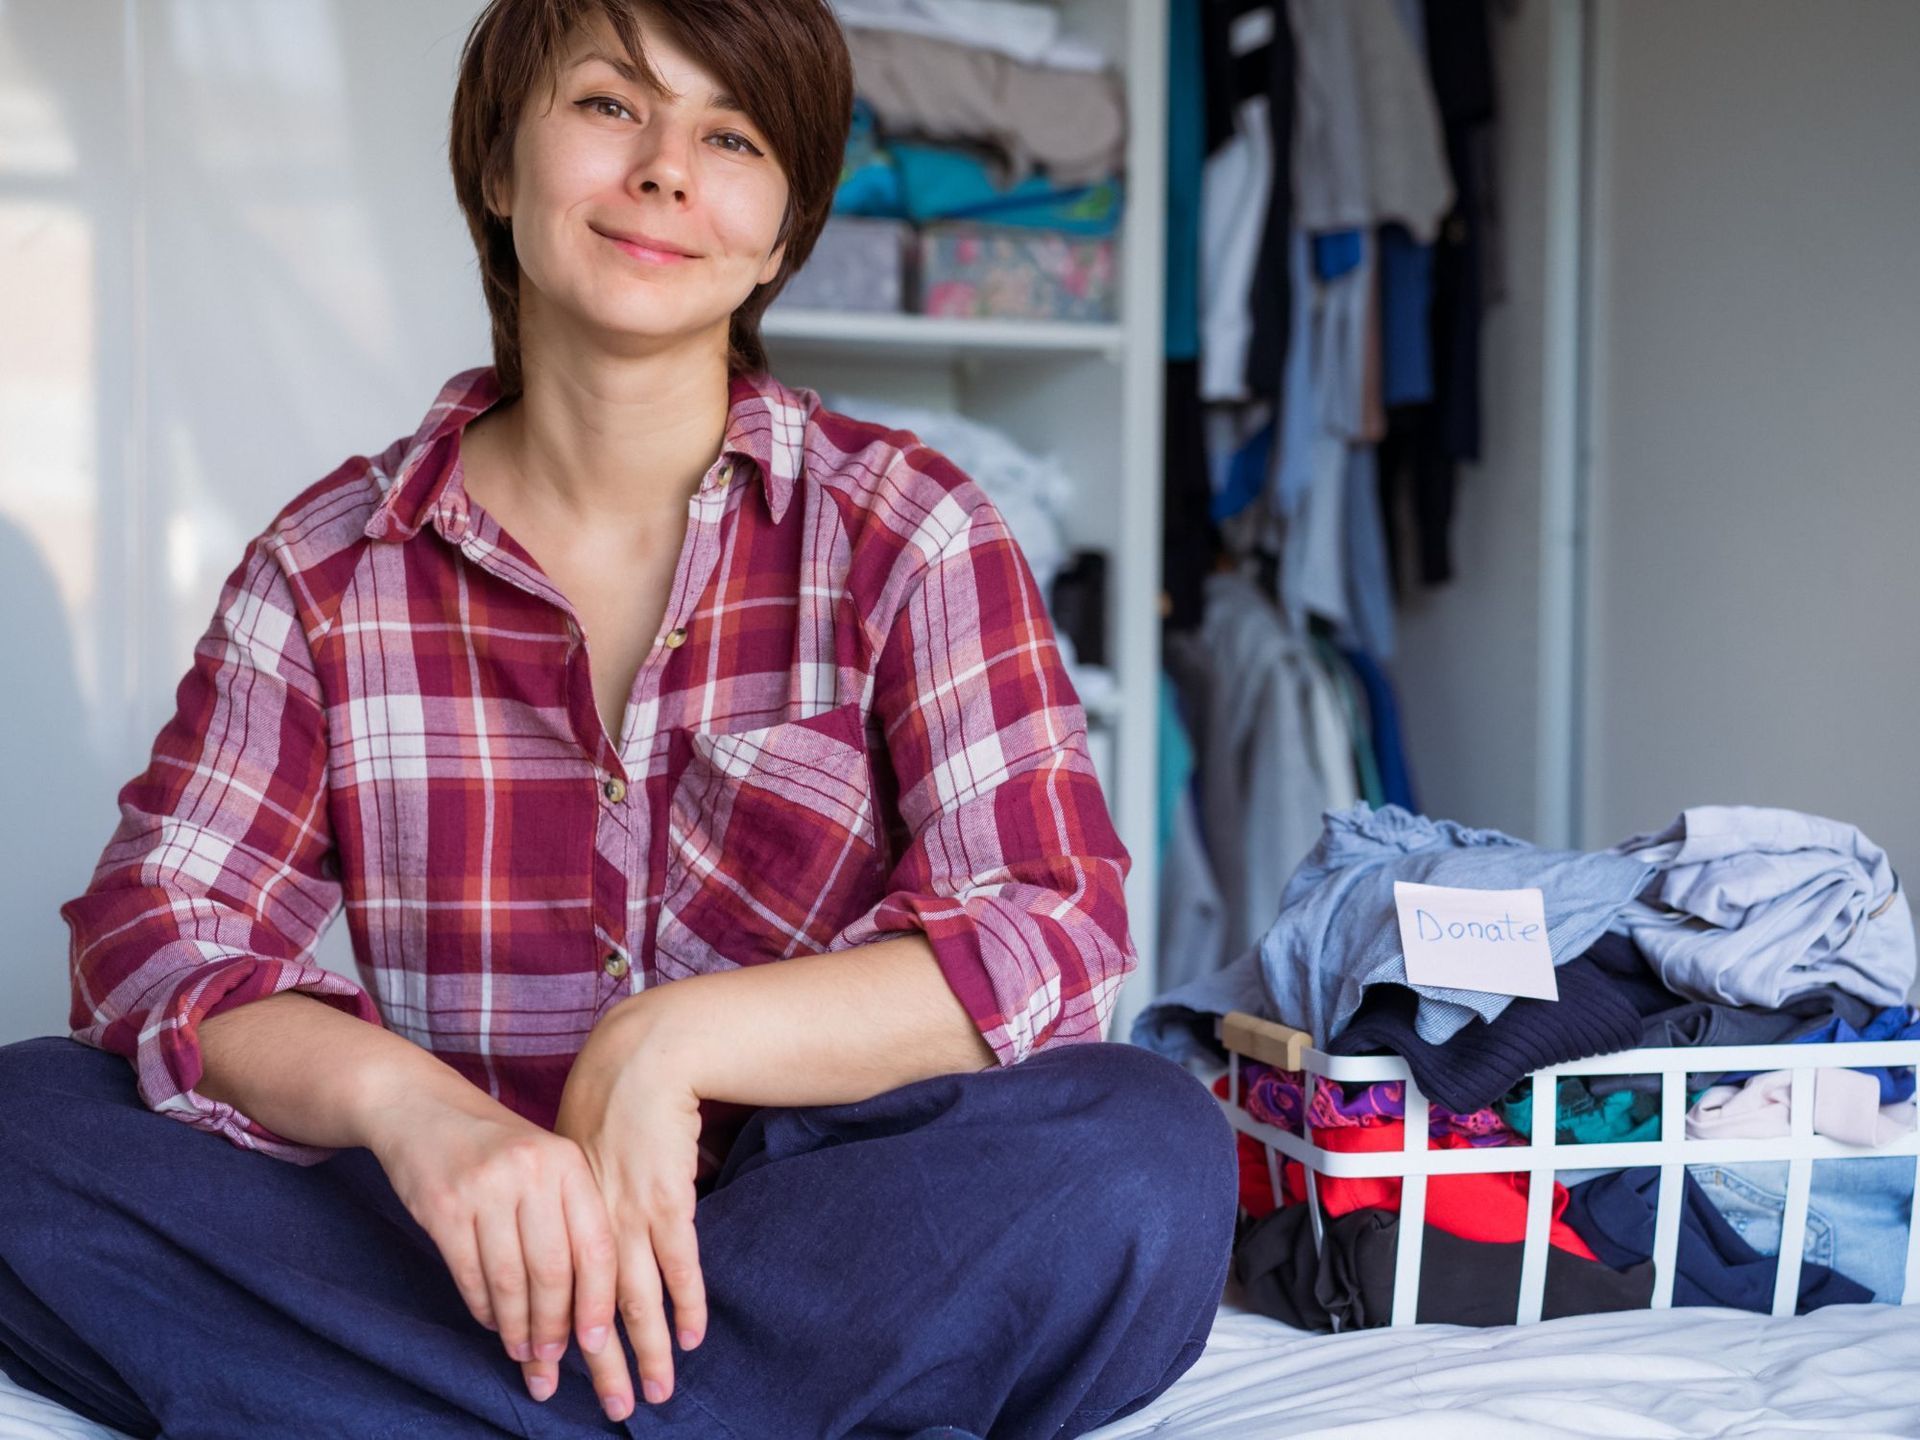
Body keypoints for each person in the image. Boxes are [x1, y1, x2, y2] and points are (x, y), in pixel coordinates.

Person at [0, 1, 1237, 1436]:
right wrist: (423, 1115)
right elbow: (157, 934)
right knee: (26, 1127)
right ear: (498, 164)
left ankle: (458, 1413)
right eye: (608, 106)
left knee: (1144, 1153)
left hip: (819, 1241)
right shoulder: (326, 568)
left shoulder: (915, 534)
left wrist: (667, 1047)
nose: (664, 170)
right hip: (459, 1247)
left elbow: (1048, 930)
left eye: (729, 136)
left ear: (782, 229)